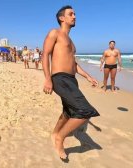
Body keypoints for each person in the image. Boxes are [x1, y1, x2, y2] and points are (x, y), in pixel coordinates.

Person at [42, 5, 100, 161]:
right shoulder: (55, 33)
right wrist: (48, 78)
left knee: (68, 111)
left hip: (71, 79)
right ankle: (61, 138)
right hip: (59, 78)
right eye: (71, 14)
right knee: (85, 111)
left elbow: (74, 64)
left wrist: (88, 76)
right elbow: (45, 55)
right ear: (62, 18)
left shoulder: (71, 43)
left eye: (75, 14)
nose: (74, 16)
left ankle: (55, 133)